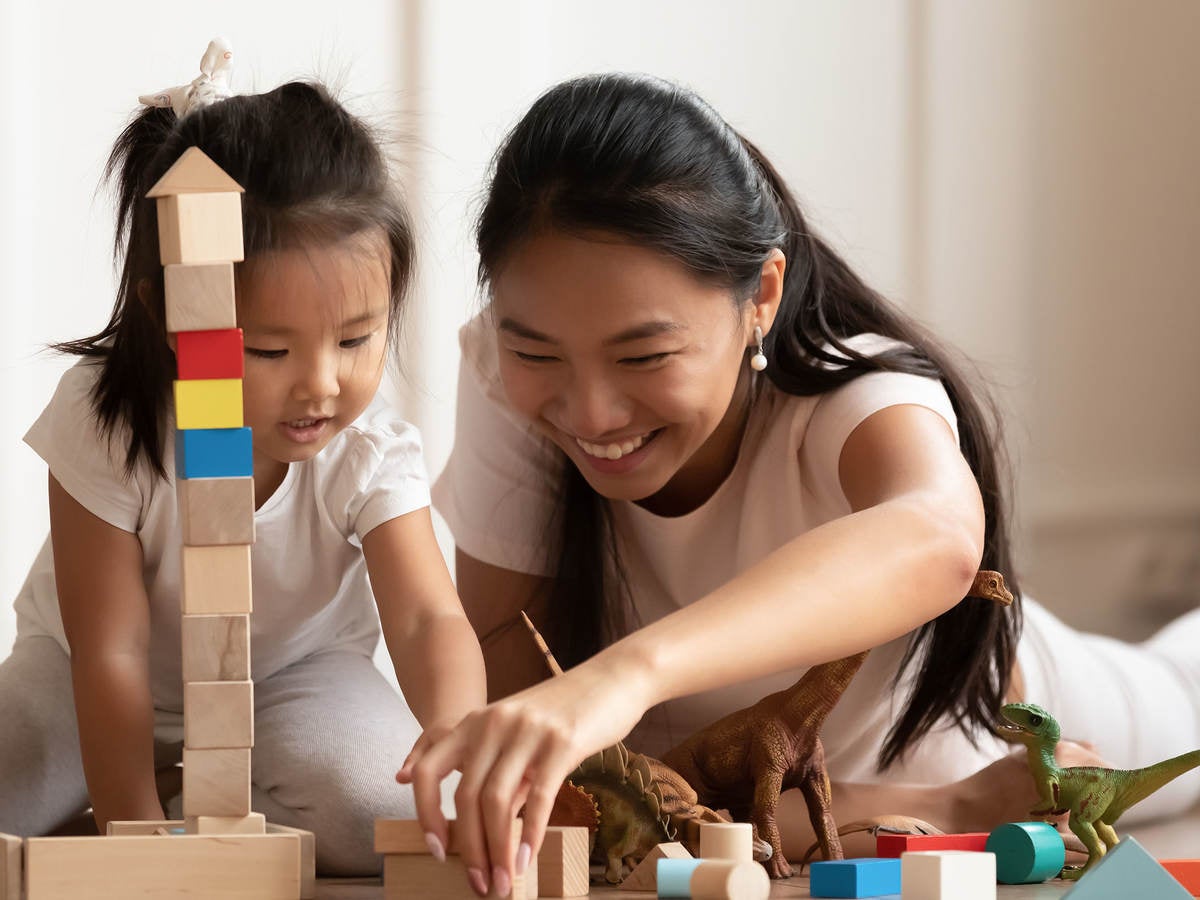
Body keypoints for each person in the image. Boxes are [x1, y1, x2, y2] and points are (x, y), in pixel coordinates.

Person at [401, 72, 1200, 897]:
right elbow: (578, 803)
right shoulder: (503, 371)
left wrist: (622, 677)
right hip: (826, 801)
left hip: (997, 709)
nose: (591, 410)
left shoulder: (856, 397)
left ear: (763, 298)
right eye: (537, 353)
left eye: (644, 357)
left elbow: (939, 539)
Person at [0, 53, 485, 876]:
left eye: (357, 338)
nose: (322, 385)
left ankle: (213, 800)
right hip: (91, 673)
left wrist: (457, 746)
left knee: (386, 813)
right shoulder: (107, 420)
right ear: (172, 315)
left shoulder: (367, 452)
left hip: (295, 676)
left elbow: (426, 619)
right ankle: (156, 797)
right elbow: (110, 648)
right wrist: (138, 841)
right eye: (268, 349)